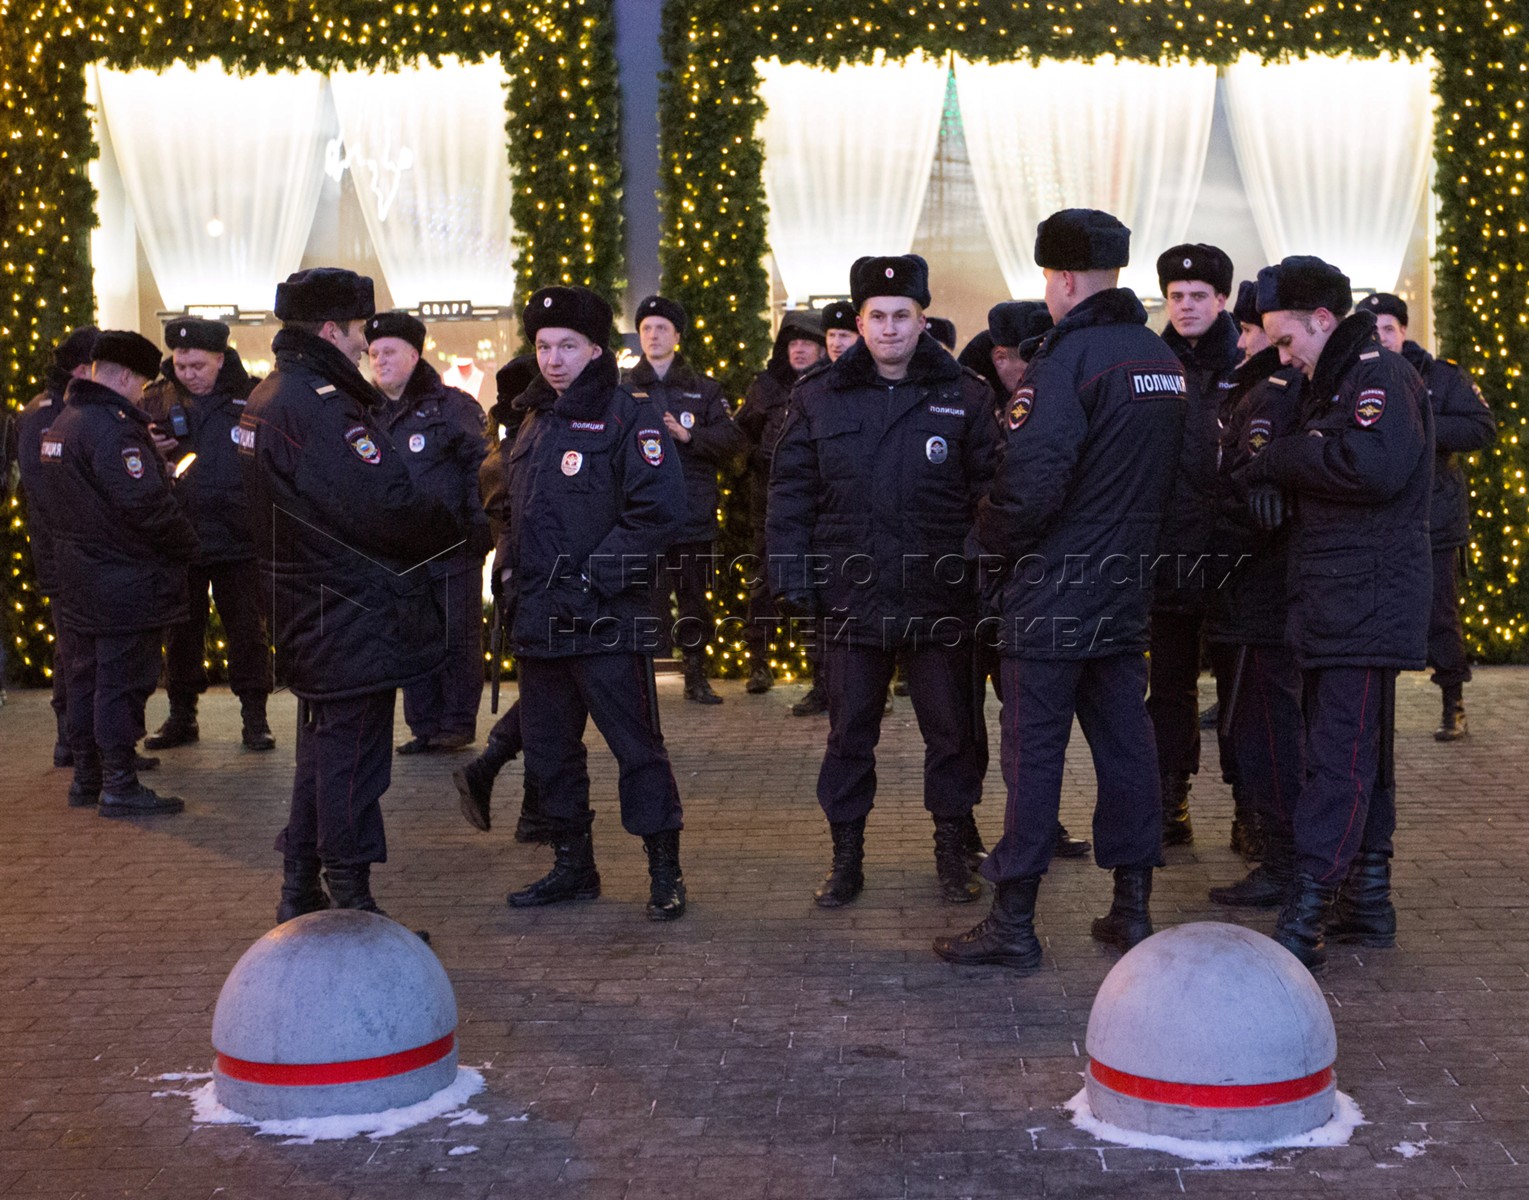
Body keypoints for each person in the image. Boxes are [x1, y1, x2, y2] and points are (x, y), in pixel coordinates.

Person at [934, 209, 1186, 969]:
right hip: (1122, 593)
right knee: (1127, 748)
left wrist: (986, 548)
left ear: (1065, 278)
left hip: (1049, 597)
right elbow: (1188, 484)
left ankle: (1013, 923)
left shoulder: (1066, 363)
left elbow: (1029, 485)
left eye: (1047, 277)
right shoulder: (1160, 361)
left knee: (1033, 757)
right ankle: (1130, 907)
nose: (1047, 290)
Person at [768, 254, 998, 908]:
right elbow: (789, 491)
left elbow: (991, 493)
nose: (890, 328)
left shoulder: (965, 394)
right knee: (848, 735)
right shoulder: (817, 396)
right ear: (859, 321)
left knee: (952, 733)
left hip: (939, 597)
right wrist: (791, 570)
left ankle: (953, 847)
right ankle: (846, 857)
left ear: (922, 320)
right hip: (850, 596)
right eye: (878, 316)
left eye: (903, 316)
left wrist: (980, 569)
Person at [238, 268, 461, 922]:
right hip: (349, 609)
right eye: (360, 328)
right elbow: (382, 507)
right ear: (331, 328)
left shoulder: (273, 395)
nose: (367, 342)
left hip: (314, 606)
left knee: (321, 755)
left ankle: (301, 890)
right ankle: (349, 901)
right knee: (352, 762)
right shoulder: (317, 405)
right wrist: (451, 528)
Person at [1235, 256, 1432, 968]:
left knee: (1336, 760)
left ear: (1322, 318)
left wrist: (1288, 460)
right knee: (1359, 757)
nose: (1281, 357)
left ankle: (1308, 911)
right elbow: (1284, 454)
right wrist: (1278, 464)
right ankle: (1366, 900)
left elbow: (1371, 468)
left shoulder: (1376, 376)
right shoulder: (1330, 380)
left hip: (1362, 597)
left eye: (1287, 341)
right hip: (1338, 598)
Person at [499, 286, 690, 921]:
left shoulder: (626, 417)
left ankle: (664, 870)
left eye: (567, 347)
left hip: (607, 620)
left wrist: (592, 581)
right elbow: (514, 515)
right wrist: (507, 577)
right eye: (544, 346)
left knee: (637, 750)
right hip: (539, 623)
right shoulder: (531, 419)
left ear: (596, 350)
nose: (553, 359)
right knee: (552, 754)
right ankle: (573, 866)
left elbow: (657, 513)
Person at [27, 331, 199, 816]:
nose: (143, 393)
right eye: (142, 384)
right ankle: (119, 784)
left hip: (81, 576)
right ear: (124, 376)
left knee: (85, 679)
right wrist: (187, 543)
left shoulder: (64, 422)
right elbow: (143, 503)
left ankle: (87, 777)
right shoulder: (112, 428)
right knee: (120, 683)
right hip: (123, 581)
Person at [1204, 279, 1306, 907]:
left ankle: (1284, 860)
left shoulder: (1275, 391)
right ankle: (1281, 855)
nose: (1240, 342)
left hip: (1257, 592)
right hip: (1246, 590)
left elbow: (1253, 493)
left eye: (1246, 330)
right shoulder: (1258, 388)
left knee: (1266, 731)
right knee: (1254, 727)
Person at [1357, 292, 1496, 741]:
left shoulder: (1440, 376)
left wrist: (1422, 424)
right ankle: (1373, 712)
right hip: (1377, 520)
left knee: (1440, 616)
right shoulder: (1357, 376)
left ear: (1403, 331)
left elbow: (1481, 427)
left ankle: (1452, 703)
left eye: (1388, 330)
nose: (1382, 338)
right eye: (1373, 330)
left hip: (1436, 519)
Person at [140, 317, 274, 752]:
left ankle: (255, 719)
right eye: (181, 365)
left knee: (248, 633)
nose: (188, 373)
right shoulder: (154, 399)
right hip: (182, 539)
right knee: (181, 634)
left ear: (220, 358)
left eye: (197, 365)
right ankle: (182, 717)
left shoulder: (252, 396)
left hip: (239, 538)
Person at [1147, 244, 1241, 850]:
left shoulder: (1252, 359)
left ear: (1222, 299)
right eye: (1175, 297)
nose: (1185, 306)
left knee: (1243, 691)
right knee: (1171, 688)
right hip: (1167, 551)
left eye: (1198, 296)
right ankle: (1169, 799)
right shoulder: (1148, 360)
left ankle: (1251, 807)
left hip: (1237, 550)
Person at [364, 310, 492, 755]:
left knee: (457, 638)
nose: (379, 360)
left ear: (415, 355)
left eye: (390, 352)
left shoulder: (452, 406)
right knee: (413, 638)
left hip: (453, 546)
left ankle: (457, 723)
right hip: (399, 552)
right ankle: (424, 726)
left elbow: (484, 469)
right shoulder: (366, 413)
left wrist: (481, 529)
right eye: (374, 353)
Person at [625, 294, 747, 705]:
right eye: (646, 329)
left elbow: (733, 439)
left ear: (677, 336)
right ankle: (640, 681)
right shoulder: (624, 388)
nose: (654, 335)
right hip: (641, 515)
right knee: (644, 600)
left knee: (695, 599)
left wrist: (688, 436)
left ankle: (696, 675)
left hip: (692, 513)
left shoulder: (704, 389)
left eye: (662, 328)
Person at [453, 355, 548, 842]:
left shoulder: (514, 451)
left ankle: (532, 809)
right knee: (548, 698)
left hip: (531, 588)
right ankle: (489, 768)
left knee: (553, 702)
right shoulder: (508, 459)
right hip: (529, 591)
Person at [15, 327, 101, 767]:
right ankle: (73, 740)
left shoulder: (59, 408)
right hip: (64, 553)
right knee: (74, 649)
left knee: (77, 648)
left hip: (71, 551)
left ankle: (85, 741)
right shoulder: (47, 414)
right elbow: (47, 493)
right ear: (84, 369)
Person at [735, 311, 825, 694]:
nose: (799, 349)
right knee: (763, 584)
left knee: (819, 585)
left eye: (808, 342)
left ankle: (821, 676)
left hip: (819, 502)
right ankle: (759, 663)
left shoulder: (830, 384)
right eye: (793, 342)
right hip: (768, 503)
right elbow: (739, 435)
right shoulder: (766, 387)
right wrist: (756, 459)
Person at [789, 299, 860, 720]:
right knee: (821, 624)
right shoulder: (811, 389)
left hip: (856, 534)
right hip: (822, 532)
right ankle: (820, 685)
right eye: (830, 336)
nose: (835, 343)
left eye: (842, 335)